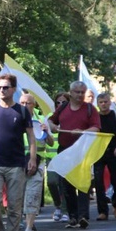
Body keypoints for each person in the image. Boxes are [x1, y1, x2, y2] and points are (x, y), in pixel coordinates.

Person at [0, 73, 37, 231]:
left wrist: (32, 158)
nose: (1, 90)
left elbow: (31, 137)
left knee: (15, 205)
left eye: (5, 87)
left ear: (13, 89)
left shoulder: (22, 111)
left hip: (16, 164)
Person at [48, 81, 101, 229]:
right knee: (66, 185)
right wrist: (53, 126)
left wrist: (83, 131)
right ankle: (72, 216)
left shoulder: (90, 109)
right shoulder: (63, 108)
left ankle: (83, 216)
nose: (80, 95)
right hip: (65, 150)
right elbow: (51, 121)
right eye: (77, 92)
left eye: (82, 92)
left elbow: (96, 128)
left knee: (83, 184)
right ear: (70, 93)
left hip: (83, 151)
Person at [19, 93, 54, 231]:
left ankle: (28, 228)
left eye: (28, 103)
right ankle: (26, 223)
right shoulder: (15, 119)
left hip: (37, 164)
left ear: (34, 105)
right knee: (19, 198)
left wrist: (46, 132)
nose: (25, 106)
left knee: (32, 196)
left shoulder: (41, 120)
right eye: (22, 103)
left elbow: (51, 143)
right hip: (18, 164)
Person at [93, 92, 116, 220]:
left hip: (114, 152)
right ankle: (102, 211)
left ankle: (115, 204)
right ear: (97, 104)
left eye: (106, 102)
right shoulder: (94, 117)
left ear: (110, 102)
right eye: (101, 102)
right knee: (98, 182)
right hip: (98, 152)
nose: (103, 104)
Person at [47, 92, 69, 223]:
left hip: (66, 155)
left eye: (64, 102)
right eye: (58, 103)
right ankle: (58, 206)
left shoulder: (70, 118)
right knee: (52, 182)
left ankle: (66, 210)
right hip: (51, 156)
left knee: (64, 184)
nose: (60, 105)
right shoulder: (49, 118)